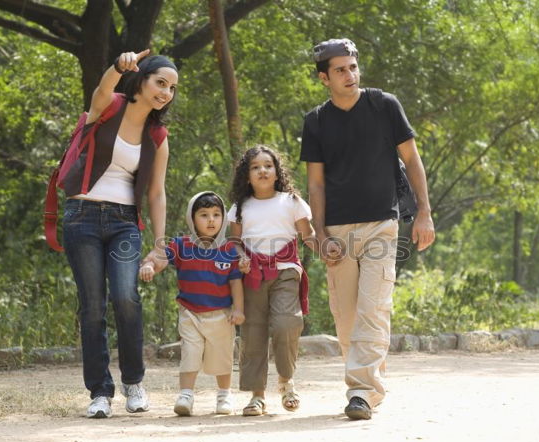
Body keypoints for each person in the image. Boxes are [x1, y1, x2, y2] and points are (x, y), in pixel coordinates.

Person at [300, 38, 435, 420]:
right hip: (337, 230)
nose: (350, 75)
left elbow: (411, 159)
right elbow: (316, 185)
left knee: (373, 308)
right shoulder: (316, 121)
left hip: (381, 223)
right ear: (324, 77)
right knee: (346, 317)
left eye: (353, 67)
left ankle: (362, 391)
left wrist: (424, 213)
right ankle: (367, 377)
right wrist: (321, 234)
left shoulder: (384, 105)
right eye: (340, 70)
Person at [62, 49, 178, 418]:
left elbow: (156, 193)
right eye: (160, 82)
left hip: (123, 221)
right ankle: (99, 391)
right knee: (93, 305)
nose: (165, 92)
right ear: (140, 80)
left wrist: (160, 246)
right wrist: (116, 65)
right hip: (81, 216)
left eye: (172, 88)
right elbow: (102, 88)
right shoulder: (109, 106)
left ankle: (134, 382)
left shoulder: (158, 136)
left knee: (126, 296)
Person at [228, 145, 317, 416]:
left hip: (286, 270)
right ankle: (257, 396)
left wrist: (327, 251)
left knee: (287, 322)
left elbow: (308, 235)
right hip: (252, 274)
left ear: (277, 172)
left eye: (268, 165)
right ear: (247, 176)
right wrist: (241, 255)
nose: (262, 170)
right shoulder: (239, 207)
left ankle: (286, 382)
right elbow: (234, 242)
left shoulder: (291, 201)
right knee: (253, 333)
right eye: (255, 167)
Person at [140, 191, 245, 416]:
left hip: (222, 314)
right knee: (190, 353)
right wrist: (148, 265)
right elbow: (160, 257)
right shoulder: (181, 245)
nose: (211, 220)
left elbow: (236, 282)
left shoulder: (229, 249)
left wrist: (239, 309)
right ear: (192, 218)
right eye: (204, 215)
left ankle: (224, 395)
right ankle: (186, 395)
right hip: (190, 313)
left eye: (217, 215)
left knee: (222, 354)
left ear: (223, 219)